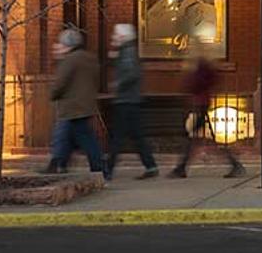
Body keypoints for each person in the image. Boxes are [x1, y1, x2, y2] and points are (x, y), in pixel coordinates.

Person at [170, 48, 246, 178]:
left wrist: (189, 79)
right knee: (203, 138)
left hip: (201, 104)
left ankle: (181, 168)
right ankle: (235, 164)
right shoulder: (205, 66)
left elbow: (197, 84)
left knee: (193, 137)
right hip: (202, 103)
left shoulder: (201, 67)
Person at [43, 26, 106, 176]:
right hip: (85, 105)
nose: (59, 46)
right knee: (68, 137)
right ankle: (59, 164)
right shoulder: (90, 58)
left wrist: (53, 94)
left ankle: (99, 168)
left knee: (79, 138)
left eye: (62, 44)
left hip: (71, 107)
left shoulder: (70, 60)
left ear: (68, 45)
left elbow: (61, 82)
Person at [104, 23, 158, 179]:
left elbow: (130, 74)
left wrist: (117, 84)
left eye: (116, 35)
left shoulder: (127, 52)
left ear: (122, 37)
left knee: (117, 137)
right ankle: (150, 165)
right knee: (136, 135)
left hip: (125, 100)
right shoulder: (126, 51)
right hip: (131, 99)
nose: (113, 37)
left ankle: (108, 169)